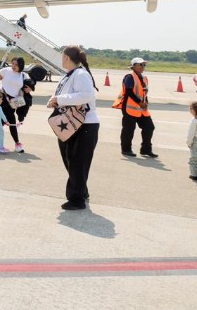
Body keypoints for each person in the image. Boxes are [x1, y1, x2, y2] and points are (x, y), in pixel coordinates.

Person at [48, 45, 100, 210]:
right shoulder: (69, 75)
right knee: (70, 160)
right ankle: (81, 190)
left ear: (66, 58)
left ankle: (76, 199)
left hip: (84, 125)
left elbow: (86, 95)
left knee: (78, 162)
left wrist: (59, 99)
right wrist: (54, 100)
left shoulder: (81, 74)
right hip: (71, 125)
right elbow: (64, 94)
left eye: (62, 56)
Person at [112, 57, 157, 158]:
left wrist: (145, 102)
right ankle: (126, 150)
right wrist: (139, 102)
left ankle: (146, 149)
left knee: (149, 127)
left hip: (141, 109)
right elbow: (129, 92)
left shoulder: (144, 78)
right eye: (140, 64)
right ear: (134, 66)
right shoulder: (129, 77)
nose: (143, 67)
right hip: (129, 108)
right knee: (128, 129)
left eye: (144, 65)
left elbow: (144, 92)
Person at [0, 57, 31, 152]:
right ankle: (17, 144)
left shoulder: (24, 76)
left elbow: (29, 87)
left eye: (16, 64)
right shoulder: (6, 71)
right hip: (3, 99)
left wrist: (29, 89)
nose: (13, 66)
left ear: (21, 65)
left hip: (14, 102)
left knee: (3, 121)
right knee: (11, 121)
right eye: (12, 64)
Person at [187, 101, 197, 182]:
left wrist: (188, 143)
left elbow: (191, 134)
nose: (189, 110)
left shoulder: (194, 121)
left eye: (190, 108)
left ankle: (194, 174)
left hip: (195, 141)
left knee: (194, 158)